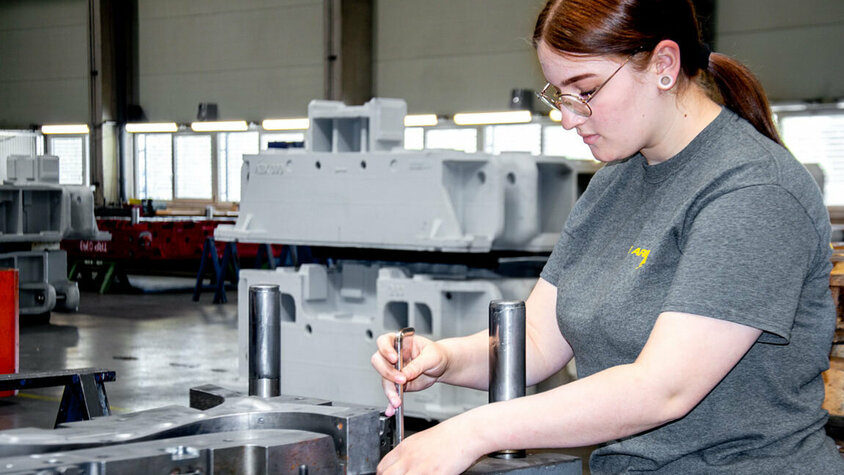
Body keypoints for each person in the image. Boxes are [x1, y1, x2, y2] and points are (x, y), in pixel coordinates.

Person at [371, 0, 844, 473]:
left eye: (585, 90)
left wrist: (471, 431)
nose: (568, 117)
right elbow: (537, 340)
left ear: (663, 65)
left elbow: (664, 388)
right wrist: (444, 359)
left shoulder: (754, 191)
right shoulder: (614, 183)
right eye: (559, 94)